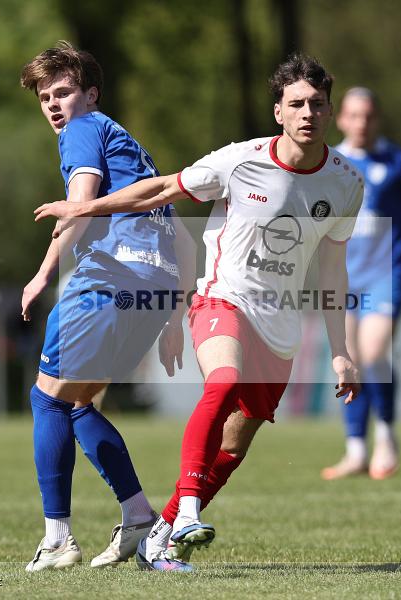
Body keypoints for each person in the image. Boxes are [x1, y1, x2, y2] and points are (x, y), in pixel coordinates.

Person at [34, 53, 363, 572]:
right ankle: (185, 514)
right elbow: (163, 188)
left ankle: (155, 536)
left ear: (329, 110)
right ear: (278, 111)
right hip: (222, 298)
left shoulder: (346, 184)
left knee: (231, 449)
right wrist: (85, 208)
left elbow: (333, 273)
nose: (307, 113)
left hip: (279, 325)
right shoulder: (239, 159)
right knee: (222, 381)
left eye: (317, 104)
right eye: (296, 104)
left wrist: (342, 353)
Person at [18, 42, 195, 571]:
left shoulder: (84, 130)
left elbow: (82, 200)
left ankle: (57, 540)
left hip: (109, 278)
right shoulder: (135, 150)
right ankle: (138, 515)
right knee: (77, 405)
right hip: (154, 286)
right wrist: (173, 319)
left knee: (47, 399)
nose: (54, 104)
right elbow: (185, 242)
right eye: (46, 97)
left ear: (90, 94)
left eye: (64, 91)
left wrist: (43, 272)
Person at [320, 87, 401, 481]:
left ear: (378, 119)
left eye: (368, 116)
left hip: (386, 273)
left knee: (372, 355)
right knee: (350, 364)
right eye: (354, 116)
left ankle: (387, 437)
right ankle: (356, 450)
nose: (361, 123)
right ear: (341, 119)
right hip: (343, 278)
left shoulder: (400, 162)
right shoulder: (329, 164)